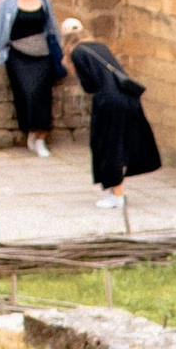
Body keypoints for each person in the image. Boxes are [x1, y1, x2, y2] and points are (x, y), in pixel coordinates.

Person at [61, 19, 162, 212]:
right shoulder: (100, 46)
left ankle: (117, 195)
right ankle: (116, 190)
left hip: (109, 102)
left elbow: (89, 85)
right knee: (120, 144)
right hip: (128, 97)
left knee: (109, 146)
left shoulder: (77, 52)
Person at [0, 0, 63, 158]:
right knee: (26, 93)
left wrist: (63, 52)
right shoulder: (9, 3)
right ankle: (30, 132)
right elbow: (0, 29)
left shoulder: (44, 1)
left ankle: (40, 137)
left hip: (42, 55)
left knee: (42, 96)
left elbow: (53, 28)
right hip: (18, 55)